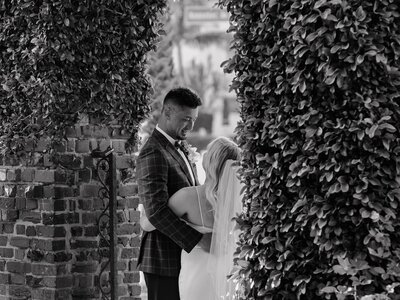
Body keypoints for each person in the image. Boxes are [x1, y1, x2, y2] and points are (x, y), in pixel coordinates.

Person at [141, 137, 243, 300]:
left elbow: (148, 223)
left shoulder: (188, 197)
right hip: (225, 276)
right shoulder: (239, 203)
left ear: (209, 161)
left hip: (196, 278)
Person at [136, 87, 211, 300]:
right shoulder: (153, 151)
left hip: (183, 259)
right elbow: (156, 212)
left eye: (194, 119)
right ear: (167, 112)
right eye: (186, 118)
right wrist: (199, 240)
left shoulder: (177, 147)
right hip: (162, 259)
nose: (191, 125)